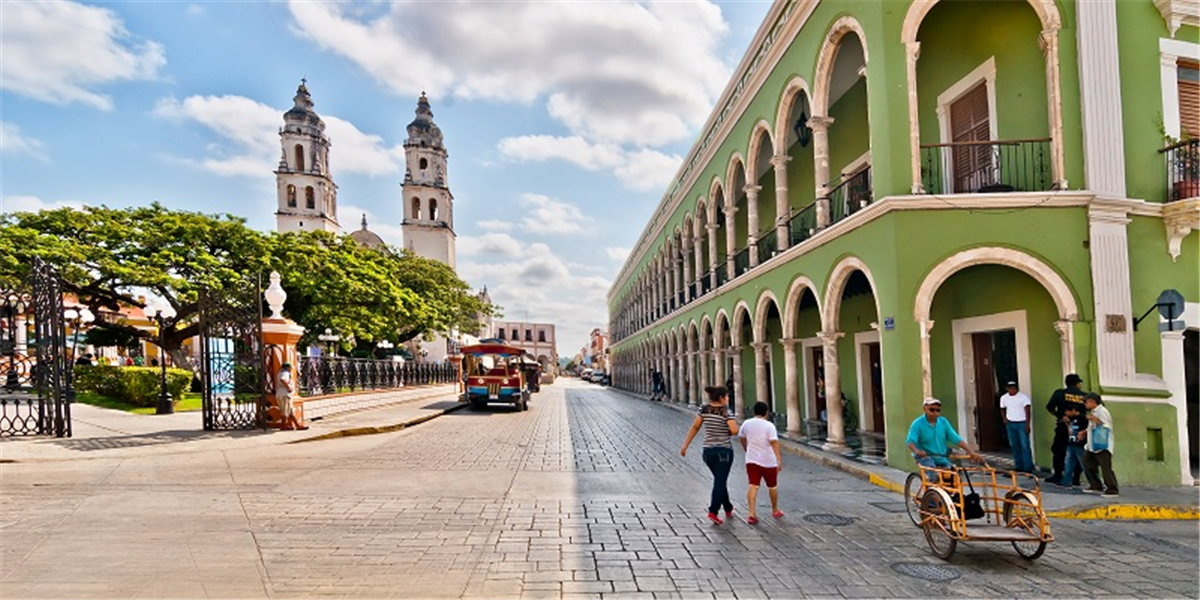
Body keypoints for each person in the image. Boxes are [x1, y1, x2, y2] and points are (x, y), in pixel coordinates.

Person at [681, 385, 739, 525]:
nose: (728, 398)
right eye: (726, 396)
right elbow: (734, 430)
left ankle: (728, 507)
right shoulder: (726, 411)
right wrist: (729, 432)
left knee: (720, 480)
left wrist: (685, 445)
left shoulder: (704, 409)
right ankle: (713, 510)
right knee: (720, 481)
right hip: (723, 451)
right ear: (721, 398)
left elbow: (695, 426)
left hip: (708, 452)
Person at [739, 401, 783, 524]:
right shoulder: (769, 426)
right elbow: (774, 443)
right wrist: (778, 459)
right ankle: (775, 510)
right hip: (768, 460)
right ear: (766, 413)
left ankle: (751, 513)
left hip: (751, 459)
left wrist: (747, 449)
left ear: (754, 412)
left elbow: (742, 438)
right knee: (772, 486)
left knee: (753, 486)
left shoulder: (746, 423)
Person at [906, 397, 982, 468]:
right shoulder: (917, 424)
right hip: (926, 457)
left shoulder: (943, 422)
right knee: (935, 475)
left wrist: (971, 452)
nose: (935, 412)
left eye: (938, 410)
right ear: (925, 409)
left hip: (941, 456)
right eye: (932, 410)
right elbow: (910, 441)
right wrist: (917, 451)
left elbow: (955, 438)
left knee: (954, 475)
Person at [1045, 373, 1086, 484]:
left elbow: (1049, 407)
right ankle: (1076, 477)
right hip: (1080, 429)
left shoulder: (1059, 394)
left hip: (1063, 426)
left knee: (1059, 450)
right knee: (1078, 452)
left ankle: (1058, 475)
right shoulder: (1084, 396)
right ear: (1077, 384)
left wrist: (1060, 415)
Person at [1081, 393, 1119, 497]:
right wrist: (1084, 432)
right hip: (1093, 444)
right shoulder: (1094, 412)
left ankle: (1112, 488)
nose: (1085, 404)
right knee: (1086, 461)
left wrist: (1094, 419)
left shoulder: (1102, 412)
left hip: (1103, 444)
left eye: (1086, 402)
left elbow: (1106, 426)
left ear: (1092, 401)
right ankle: (1096, 484)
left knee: (1105, 467)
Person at [999, 381, 1033, 473]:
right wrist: (1004, 418)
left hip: (1021, 422)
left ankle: (1028, 466)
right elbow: (1002, 408)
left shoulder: (1023, 397)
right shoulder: (1004, 398)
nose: (1012, 390)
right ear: (1007, 389)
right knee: (1014, 445)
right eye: (1010, 388)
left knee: (1025, 445)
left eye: (1013, 388)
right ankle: (1018, 465)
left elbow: (1027, 410)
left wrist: (1027, 424)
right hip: (1011, 423)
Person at [1060, 404, 1088, 489]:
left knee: (1084, 464)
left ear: (1074, 410)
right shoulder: (1070, 419)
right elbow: (1070, 432)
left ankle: (1095, 482)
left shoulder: (1082, 419)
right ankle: (1066, 482)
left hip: (1079, 444)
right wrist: (1066, 423)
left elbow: (1087, 430)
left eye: (1067, 411)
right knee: (1068, 463)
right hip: (1071, 443)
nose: (1066, 413)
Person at [275, 362, 306, 431]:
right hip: (285, 394)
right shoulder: (285, 373)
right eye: (290, 367)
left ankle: (297, 425)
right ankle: (284, 426)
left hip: (280, 393)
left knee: (289, 410)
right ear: (287, 367)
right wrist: (288, 387)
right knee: (285, 411)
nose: (291, 369)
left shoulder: (280, 373)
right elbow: (283, 380)